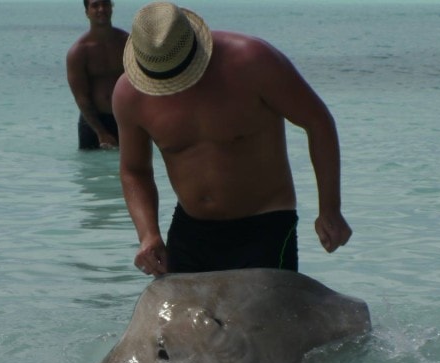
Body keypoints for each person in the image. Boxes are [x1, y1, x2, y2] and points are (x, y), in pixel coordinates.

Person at [113, 2, 352, 276]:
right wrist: (148, 234)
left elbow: (318, 122)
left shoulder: (253, 61)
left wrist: (330, 209)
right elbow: (134, 170)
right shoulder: (129, 95)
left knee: (268, 319)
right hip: (191, 231)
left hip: (265, 227)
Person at [66, 0, 129, 150]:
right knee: (92, 171)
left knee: (130, 170)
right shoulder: (79, 52)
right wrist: (100, 132)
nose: (101, 9)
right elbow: (81, 97)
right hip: (93, 122)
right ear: (87, 12)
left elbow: (143, 83)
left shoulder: (127, 43)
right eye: (95, 5)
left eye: (106, 4)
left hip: (125, 119)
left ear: (111, 8)